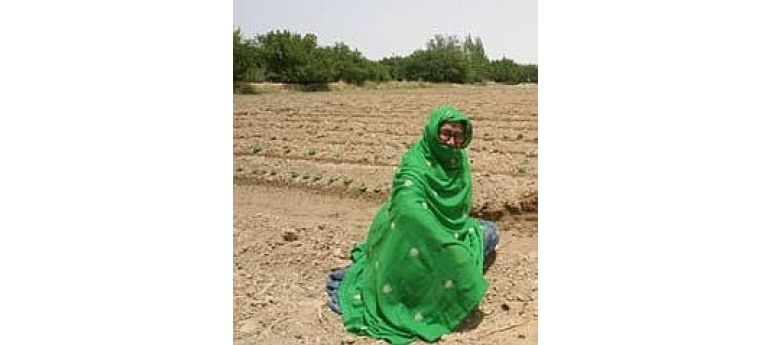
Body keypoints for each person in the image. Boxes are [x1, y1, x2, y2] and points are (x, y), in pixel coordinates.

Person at [325, 105, 500, 344]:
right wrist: (442, 240)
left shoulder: (458, 162)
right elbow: (408, 206)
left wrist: (449, 235)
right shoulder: (415, 161)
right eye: (446, 133)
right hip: (409, 229)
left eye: (458, 136)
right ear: (432, 132)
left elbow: (458, 212)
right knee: (456, 257)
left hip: (450, 228)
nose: (451, 142)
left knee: (490, 232)